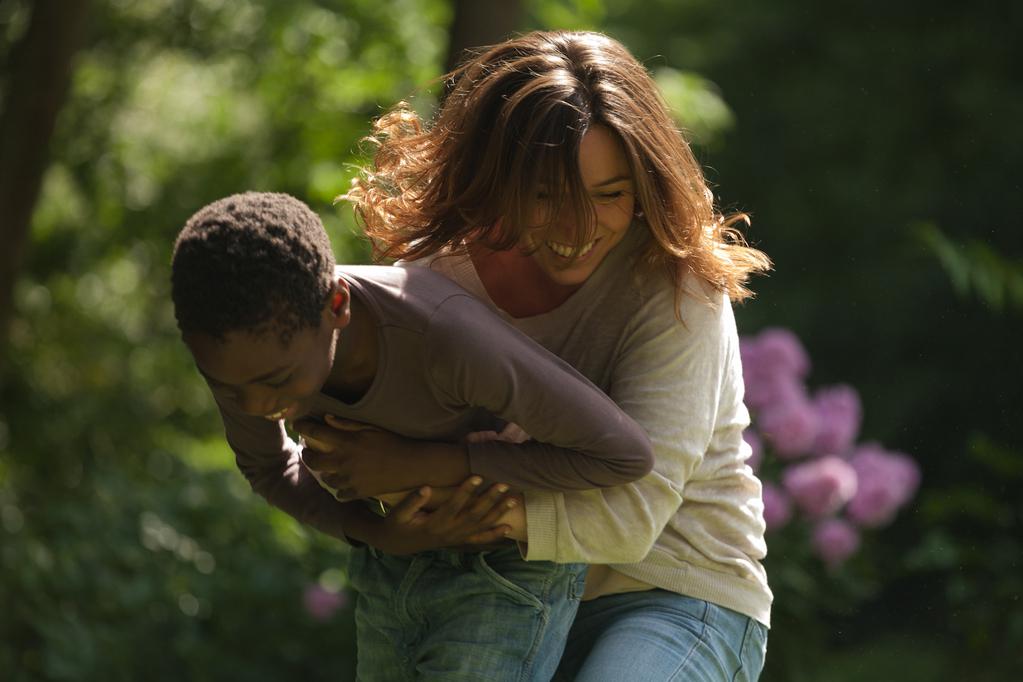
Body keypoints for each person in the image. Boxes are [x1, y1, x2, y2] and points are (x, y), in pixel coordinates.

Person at [342, 30, 774, 680]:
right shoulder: (432, 276)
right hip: (503, 586)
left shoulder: (679, 289)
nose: (578, 230)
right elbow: (366, 458)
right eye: (547, 197)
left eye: (609, 194)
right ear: (496, 179)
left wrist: (447, 488)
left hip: (676, 591)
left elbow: (632, 521)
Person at [170, 191, 655, 680]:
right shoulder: (247, 353)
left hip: (505, 570)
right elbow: (268, 465)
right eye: (227, 389)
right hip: (389, 565)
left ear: (335, 306)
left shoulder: (443, 336)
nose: (254, 406)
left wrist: (435, 463)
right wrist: (379, 533)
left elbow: (622, 454)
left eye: (276, 382)